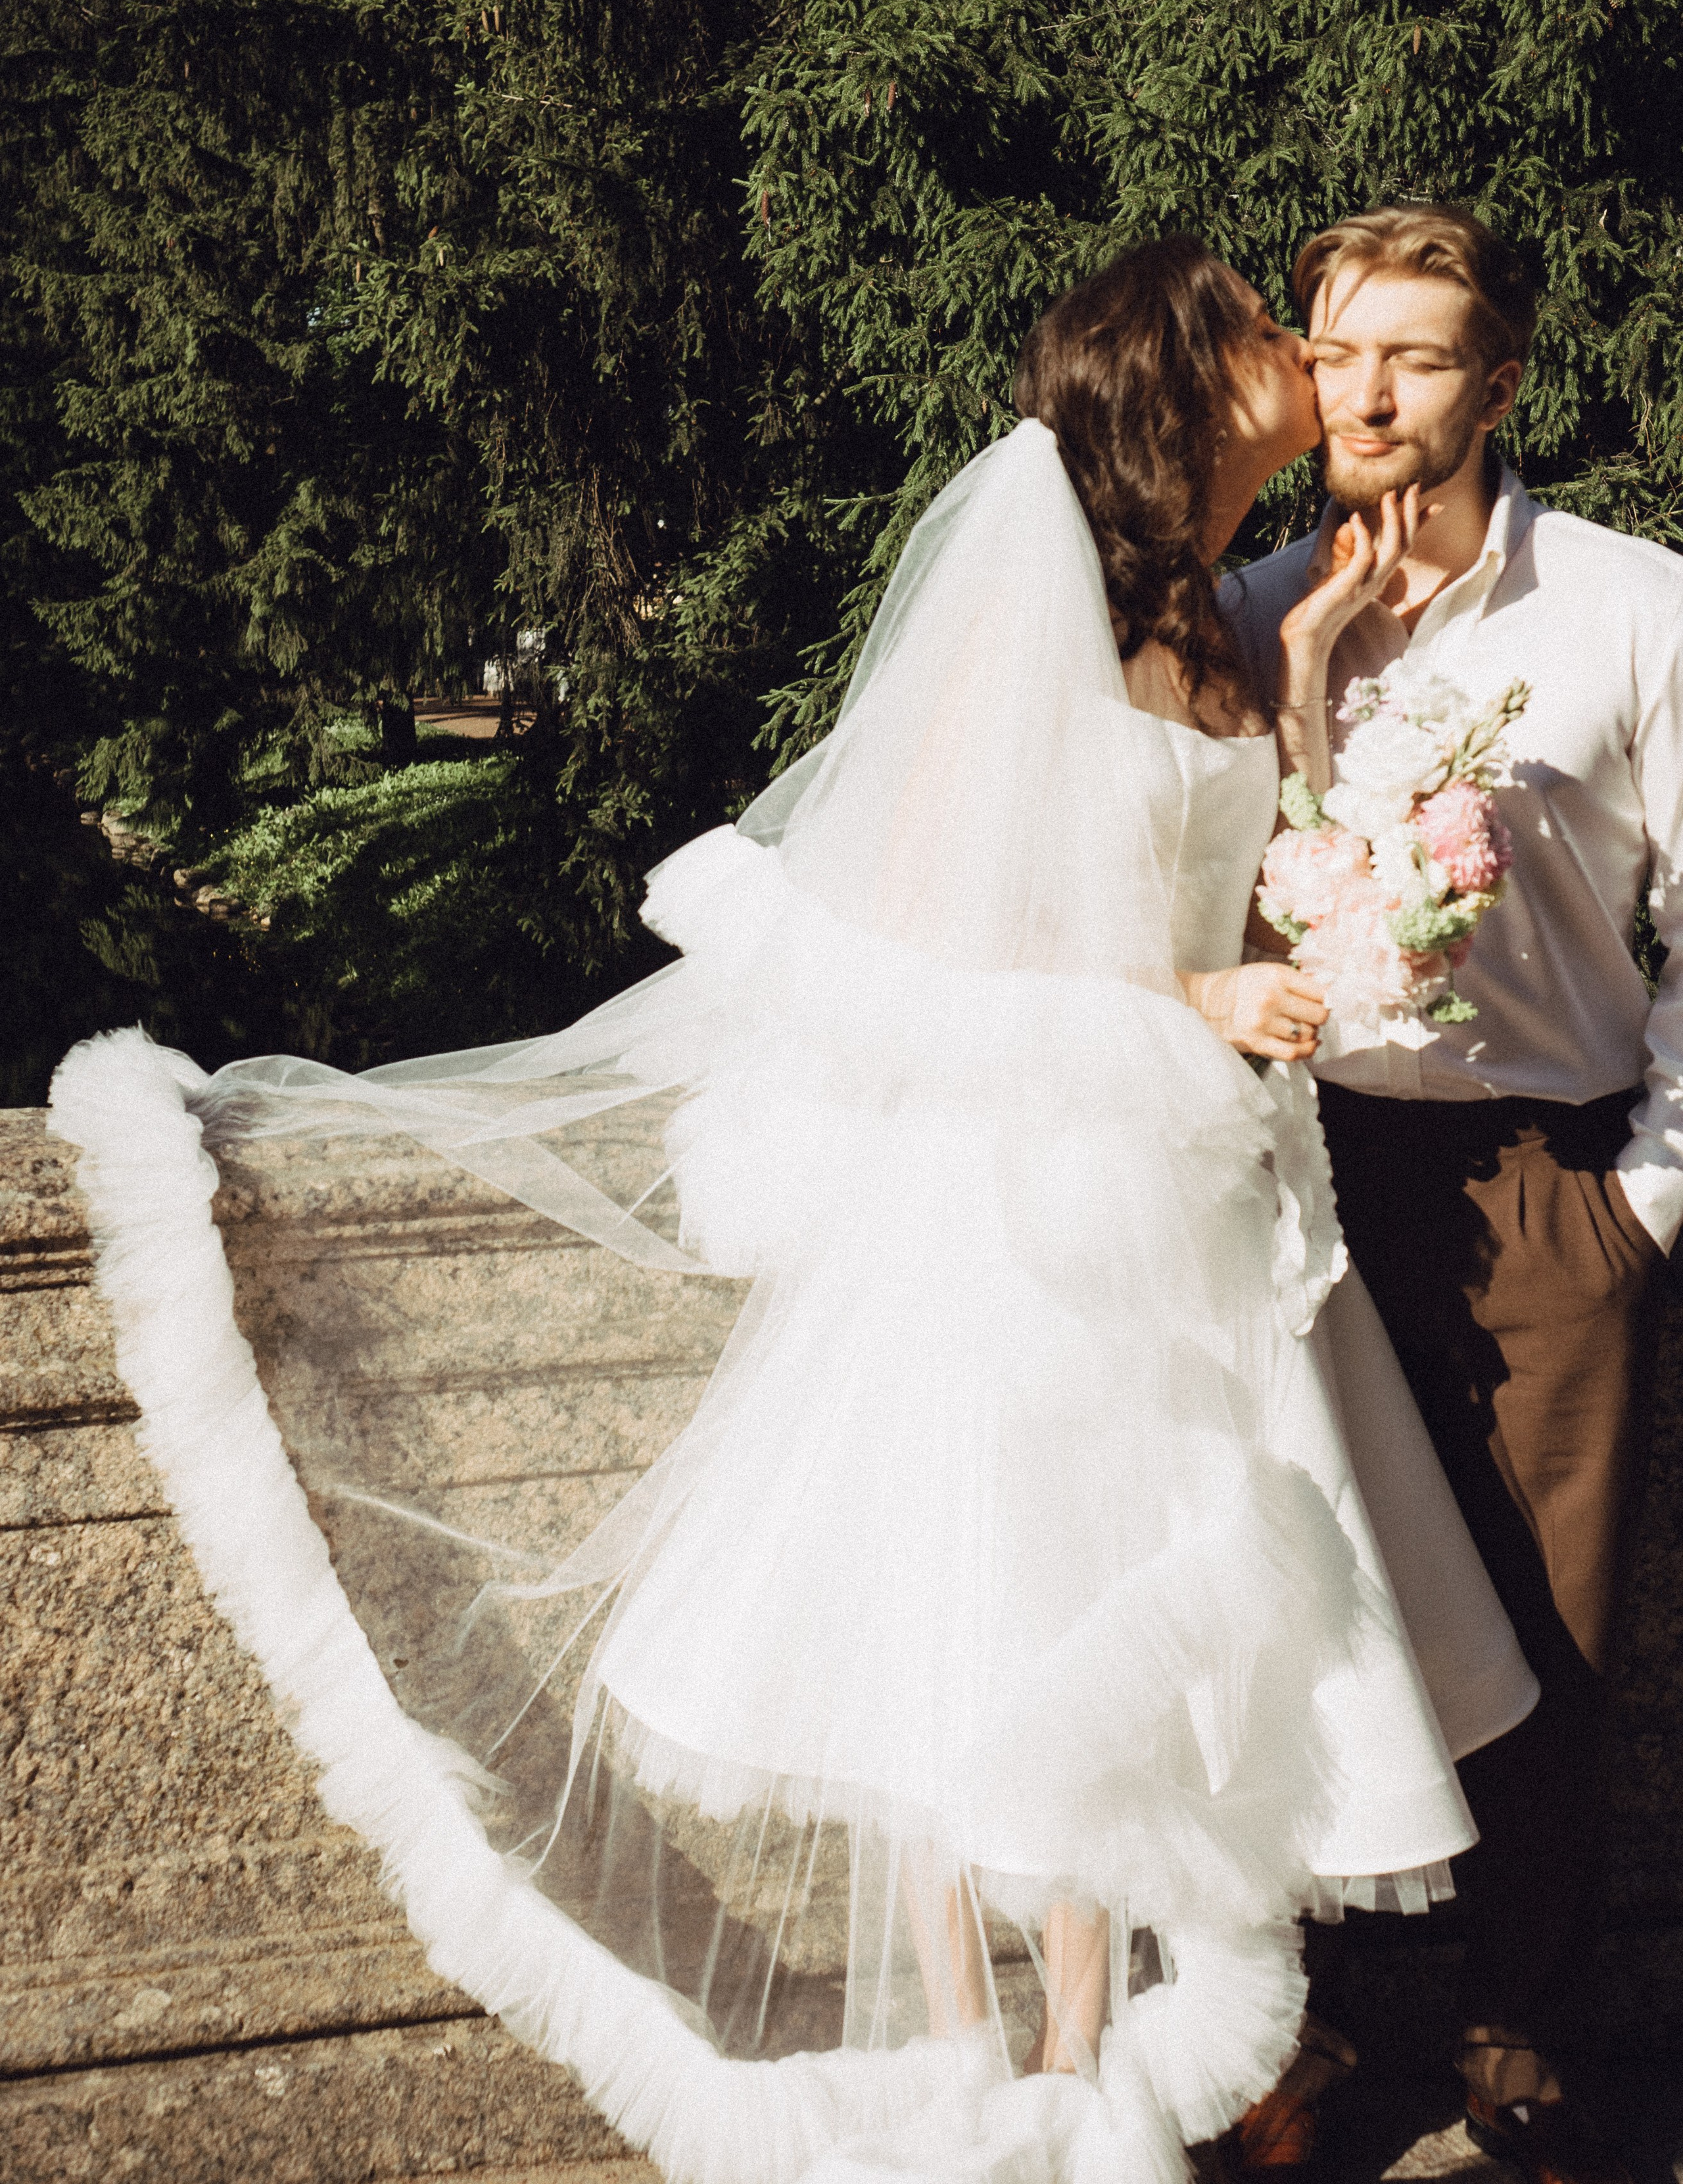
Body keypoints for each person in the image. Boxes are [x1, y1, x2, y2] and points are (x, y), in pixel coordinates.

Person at [53, 239, 1536, 2184]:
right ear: (1183, 388)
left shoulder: (1241, 621)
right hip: (1018, 1206)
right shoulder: (1037, 620)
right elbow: (917, 930)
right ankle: (994, 2099)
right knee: (986, 1640)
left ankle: (1087, 2091)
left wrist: (1324, 688)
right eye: (1268, 329)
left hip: (1182, 1213)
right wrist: (1180, 1002)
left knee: (1141, 1646)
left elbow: (1223, 878)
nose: (1304, 356)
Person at [1221, 203, 1679, 2184]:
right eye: (1336, 355)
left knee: (1550, 1646)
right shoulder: (1246, 611)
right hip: (1302, 1182)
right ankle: (1288, 2044)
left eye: (1412, 358)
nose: (1366, 395)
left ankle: (1525, 2043)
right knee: (1290, 1612)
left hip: (1548, 1184)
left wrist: (1646, 1197)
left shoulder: (1634, 607)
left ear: (1499, 383)